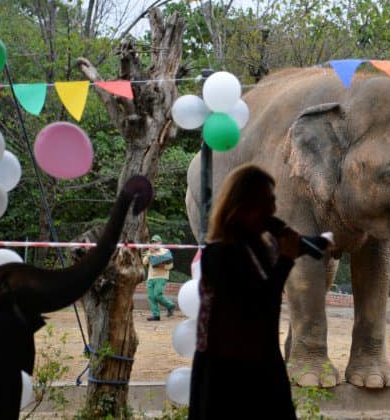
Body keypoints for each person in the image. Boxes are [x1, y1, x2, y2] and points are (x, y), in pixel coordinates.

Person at [189, 164, 332, 420]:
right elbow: (256, 306)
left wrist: (308, 244)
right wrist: (286, 260)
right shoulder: (220, 253)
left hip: (259, 365)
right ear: (242, 205)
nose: (273, 211)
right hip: (228, 376)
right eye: (266, 202)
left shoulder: (253, 249)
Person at [142, 234, 175, 321]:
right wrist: (149, 253)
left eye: (156, 242)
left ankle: (170, 305)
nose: (154, 243)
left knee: (157, 295)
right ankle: (156, 315)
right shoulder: (150, 252)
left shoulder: (165, 251)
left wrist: (162, 266)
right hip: (150, 277)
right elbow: (144, 262)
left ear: (160, 242)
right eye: (152, 242)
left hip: (161, 277)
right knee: (151, 297)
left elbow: (171, 265)